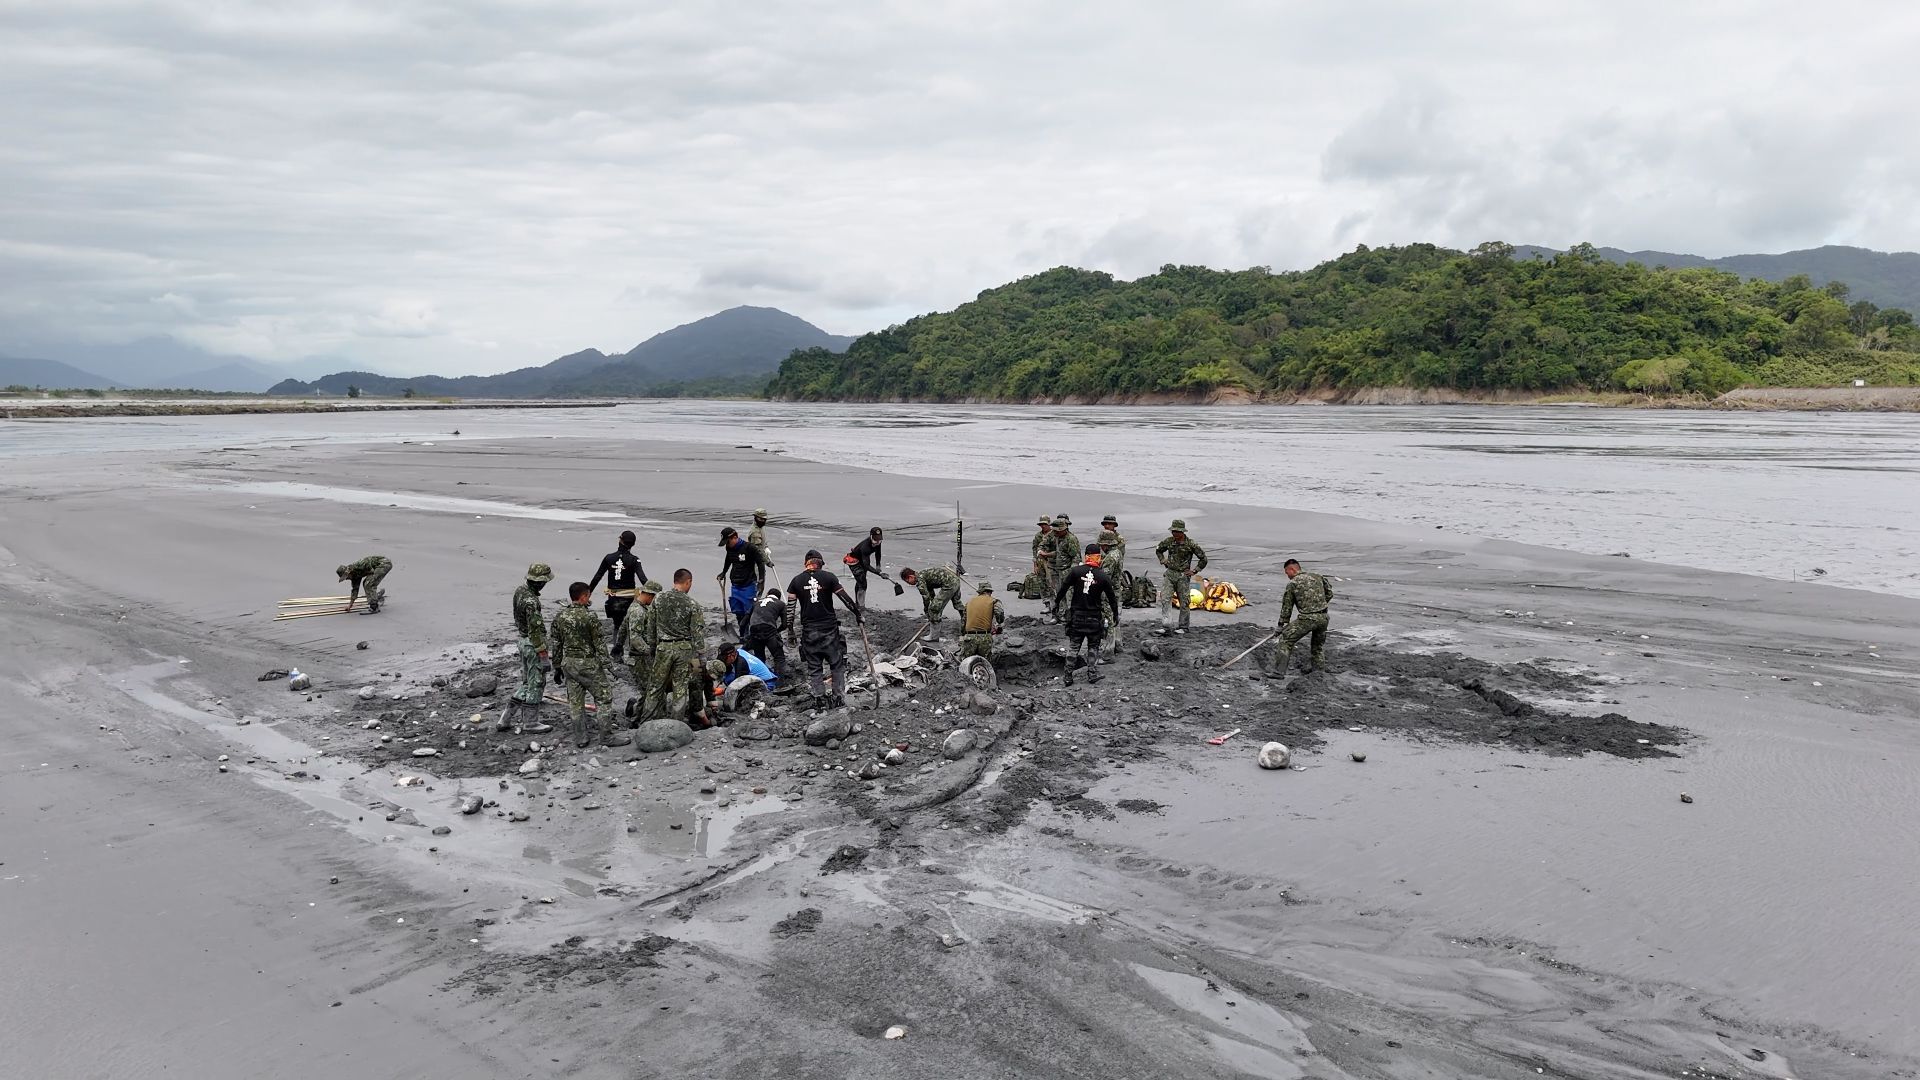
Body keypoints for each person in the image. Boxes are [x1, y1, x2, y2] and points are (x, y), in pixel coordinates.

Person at [549, 581, 631, 749]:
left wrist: (557, 666)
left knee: (575, 701)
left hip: (569, 663)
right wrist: (608, 666)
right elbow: (599, 644)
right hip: (588, 663)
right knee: (604, 697)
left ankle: (580, 737)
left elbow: (556, 644)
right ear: (584, 596)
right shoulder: (589, 617)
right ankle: (606, 736)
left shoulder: (560, 617)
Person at [787, 549, 862, 709]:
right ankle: (838, 698)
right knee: (836, 664)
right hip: (829, 630)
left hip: (809, 632)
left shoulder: (796, 581)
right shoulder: (829, 577)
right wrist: (858, 614)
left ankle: (819, 699)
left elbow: (790, 610)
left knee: (814, 667)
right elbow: (845, 598)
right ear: (820, 563)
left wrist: (791, 631)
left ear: (805, 564)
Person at [643, 569, 707, 725]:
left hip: (663, 647)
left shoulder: (658, 599)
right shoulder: (692, 604)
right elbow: (697, 632)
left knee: (656, 686)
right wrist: (701, 654)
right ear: (688, 582)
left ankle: (646, 720)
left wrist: (652, 646)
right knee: (680, 688)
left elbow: (651, 625)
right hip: (683, 649)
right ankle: (676, 724)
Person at [1055, 543, 1120, 685]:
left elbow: (1062, 589)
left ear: (1086, 557)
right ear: (1098, 557)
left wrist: (1056, 605)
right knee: (1093, 646)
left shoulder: (1075, 572)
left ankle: (1067, 676)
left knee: (1074, 647)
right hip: (1094, 617)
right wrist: (1115, 614)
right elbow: (1112, 598)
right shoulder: (1102, 576)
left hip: (1077, 616)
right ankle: (1092, 673)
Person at [587, 530, 645, 659]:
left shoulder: (609, 558)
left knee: (617, 625)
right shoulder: (635, 560)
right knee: (631, 626)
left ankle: (616, 653)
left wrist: (588, 593)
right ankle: (631, 653)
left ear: (620, 540)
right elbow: (643, 579)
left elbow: (597, 576)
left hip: (613, 600)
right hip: (629, 600)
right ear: (633, 544)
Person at [1270, 558, 1334, 676]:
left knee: (1285, 640)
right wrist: (1319, 605)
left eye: (1286, 572)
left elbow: (1287, 607)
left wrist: (1281, 625)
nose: (1287, 575)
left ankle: (1278, 673)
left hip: (1307, 619)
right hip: (1324, 617)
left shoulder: (1293, 583)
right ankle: (1319, 672)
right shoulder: (1317, 576)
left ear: (1292, 569)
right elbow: (1329, 593)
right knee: (1317, 647)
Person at [509, 563, 553, 717]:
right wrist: (543, 656)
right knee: (536, 683)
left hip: (522, 640)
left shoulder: (520, 591)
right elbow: (535, 631)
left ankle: (506, 717)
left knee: (527, 683)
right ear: (540, 582)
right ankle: (531, 721)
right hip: (532, 644)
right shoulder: (532, 602)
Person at [1154, 519, 1208, 635]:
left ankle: (1183, 627)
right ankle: (1166, 626)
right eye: (1173, 531)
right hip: (1170, 574)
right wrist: (1163, 560)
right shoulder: (1169, 541)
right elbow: (1158, 550)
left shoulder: (1191, 544)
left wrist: (1194, 571)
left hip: (1183, 576)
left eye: (1177, 532)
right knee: (1165, 598)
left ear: (1182, 532)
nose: (1175, 534)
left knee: (1184, 601)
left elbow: (1203, 559)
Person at [717, 527, 769, 639]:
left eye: (728, 541)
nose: (728, 544)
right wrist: (723, 572)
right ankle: (743, 633)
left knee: (749, 612)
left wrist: (761, 580)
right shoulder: (729, 548)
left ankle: (751, 635)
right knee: (738, 611)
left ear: (735, 537)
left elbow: (760, 563)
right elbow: (728, 560)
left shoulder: (749, 548)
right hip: (735, 584)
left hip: (748, 584)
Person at [623, 580, 663, 705]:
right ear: (650, 595)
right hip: (639, 659)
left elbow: (623, 627)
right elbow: (635, 639)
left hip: (641, 657)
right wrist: (650, 652)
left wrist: (618, 645)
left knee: (649, 691)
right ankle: (635, 712)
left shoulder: (637, 607)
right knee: (650, 692)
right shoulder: (638, 611)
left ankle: (637, 713)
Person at [745, 586, 791, 678]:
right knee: (779, 658)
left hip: (754, 630)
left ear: (767, 595)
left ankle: (761, 678)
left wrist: (744, 635)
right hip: (769, 630)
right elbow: (785, 624)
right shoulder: (781, 604)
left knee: (759, 657)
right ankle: (780, 683)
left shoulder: (757, 602)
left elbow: (744, 621)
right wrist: (777, 631)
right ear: (779, 598)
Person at [1042, 515, 1080, 621]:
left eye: (1057, 531)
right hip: (1057, 569)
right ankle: (1060, 615)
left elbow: (1076, 558)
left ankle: (1071, 617)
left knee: (1069, 595)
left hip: (1067, 570)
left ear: (1064, 529)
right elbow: (1058, 553)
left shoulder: (1071, 539)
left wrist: (1071, 574)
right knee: (1057, 593)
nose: (1055, 533)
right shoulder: (1057, 537)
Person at [898, 565, 962, 625]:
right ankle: (966, 624)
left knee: (934, 608)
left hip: (949, 584)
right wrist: (933, 603)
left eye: (907, 581)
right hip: (955, 579)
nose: (909, 584)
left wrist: (927, 610)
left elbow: (926, 598)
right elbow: (931, 594)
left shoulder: (919, 581)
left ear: (911, 577)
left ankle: (935, 632)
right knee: (957, 604)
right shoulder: (923, 575)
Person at [959, 581, 1004, 660]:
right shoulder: (994, 601)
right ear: (989, 592)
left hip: (969, 637)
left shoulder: (969, 602)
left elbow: (963, 621)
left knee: (966, 663)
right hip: (985, 638)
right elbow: (999, 613)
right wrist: (999, 622)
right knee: (984, 663)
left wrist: (963, 634)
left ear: (980, 592)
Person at [844, 527, 883, 610]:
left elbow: (878, 554)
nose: (877, 542)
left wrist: (878, 566)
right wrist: (879, 573)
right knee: (863, 584)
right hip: (853, 561)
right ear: (871, 536)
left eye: (879, 539)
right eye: (875, 540)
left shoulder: (878, 543)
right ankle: (861, 607)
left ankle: (857, 603)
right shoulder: (865, 547)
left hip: (863, 559)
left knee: (860, 581)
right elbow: (867, 566)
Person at [747, 509, 775, 590]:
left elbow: (762, 541)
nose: (763, 521)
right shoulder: (755, 532)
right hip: (755, 562)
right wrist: (768, 562)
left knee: (761, 582)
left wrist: (766, 547)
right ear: (755, 518)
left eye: (764, 519)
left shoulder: (760, 527)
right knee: (758, 584)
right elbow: (758, 549)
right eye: (761, 519)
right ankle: (755, 600)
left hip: (759, 560)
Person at [1098, 515, 1127, 581]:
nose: (1107, 526)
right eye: (1105, 524)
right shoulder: (1101, 536)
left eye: (1110, 524)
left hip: (1112, 569)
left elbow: (1119, 557)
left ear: (1114, 525)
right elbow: (1097, 549)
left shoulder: (1119, 539)